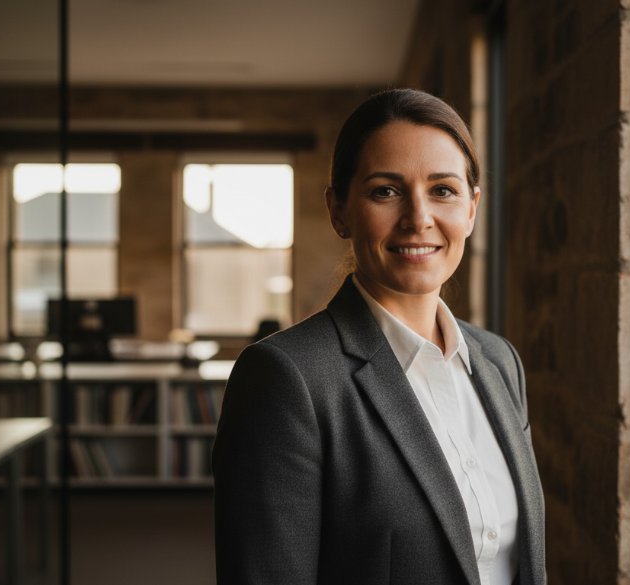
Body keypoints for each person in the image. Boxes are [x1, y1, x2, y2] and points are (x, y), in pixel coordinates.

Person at [213, 88, 546, 585]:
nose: (418, 218)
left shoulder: (499, 361)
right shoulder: (287, 379)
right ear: (339, 210)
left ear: (472, 209)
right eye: (385, 191)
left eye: (443, 190)